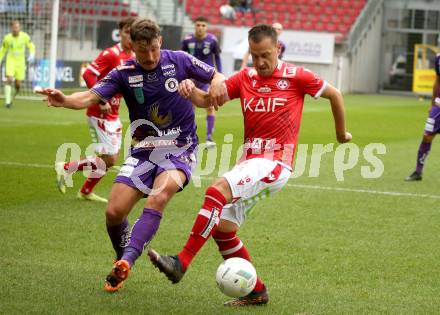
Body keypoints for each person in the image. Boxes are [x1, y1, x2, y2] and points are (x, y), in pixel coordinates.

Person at [148, 24, 352, 306]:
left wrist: (341, 134)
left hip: (275, 163)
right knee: (223, 229)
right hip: (251, 161)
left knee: (215, 191)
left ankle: (181, 262)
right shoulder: (245, 77)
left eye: (265, 55)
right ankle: (256, 291)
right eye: (255, 56)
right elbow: (208, 100)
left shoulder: (297, 76)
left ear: (277, 49)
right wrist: (190, 89)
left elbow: (335, 95)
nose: (260, 62)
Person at [38, 18, 226, 293]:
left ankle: (126, 261)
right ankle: (122, 256)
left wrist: (217, 84)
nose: (149, 56)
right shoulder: (123, 72)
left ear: (160, 41)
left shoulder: (180, 60)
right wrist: (64, 100)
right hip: (143, 150)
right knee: (114, 212)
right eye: (142, 50)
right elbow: (89, 97)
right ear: (132, 46)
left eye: (153, 48)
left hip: (180, 149)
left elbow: (216, 76)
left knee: (159, 196)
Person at [55, 17, 136, 203]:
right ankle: (66, 168)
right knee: (110, 159)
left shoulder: (132, 56)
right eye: (126, 32)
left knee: (107, 158)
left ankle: (85, 191)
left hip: (113, 113)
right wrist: (101, 99)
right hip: (99, 112)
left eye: (133, 32)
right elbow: (88, 73)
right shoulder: (111, 54)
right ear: (120, 33)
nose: (130, 36)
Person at [181, 16, 222, 148]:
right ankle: (189, 136)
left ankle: (209, 138)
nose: (200, 28)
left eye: (203, 25)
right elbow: (181, 58)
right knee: (189, 108)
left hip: (206, 78)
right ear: (195, 26)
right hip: (191, 78)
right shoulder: (187, 40)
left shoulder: (212, 40)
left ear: (206, 27)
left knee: (210, 106)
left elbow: (217, 57)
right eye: (198, 25)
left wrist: (218, 75)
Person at [406, 51, 440, 181]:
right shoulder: (438, 58)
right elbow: (438, 80)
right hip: (438, 107)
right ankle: (418, 172)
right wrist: (432, 104)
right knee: (427, 136)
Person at [0, 20, 35, 108]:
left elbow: (31, 46)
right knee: (9, 79)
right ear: (11, 28)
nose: (16, 29)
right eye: (14, 27)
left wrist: (32, 54)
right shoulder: (7, 38)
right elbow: (3, 50)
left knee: (18, 84)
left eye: (17, 27)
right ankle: (7, 102)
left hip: (21, 64)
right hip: (10, 62)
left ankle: (12, 96)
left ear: (20, 28)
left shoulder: (25, 36)